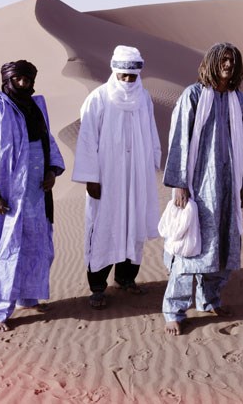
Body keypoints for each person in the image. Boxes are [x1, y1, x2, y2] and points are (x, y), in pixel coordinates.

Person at [162, 42, 243, 335]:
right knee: (189, 248)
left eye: (233, 60)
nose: (228, 65)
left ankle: (209, 299)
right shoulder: (193, 95)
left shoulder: (240, 102)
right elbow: (179, 138)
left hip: (228, 187)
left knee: (223, 247)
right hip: (197, 185)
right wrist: (179, 182)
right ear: (212, 63)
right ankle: (174, 310)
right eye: (224, 59)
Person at [0, 60, 65, 332]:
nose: (23, 83)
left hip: (35, 188)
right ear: (8, 79)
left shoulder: (35, 107)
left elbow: (48, 141)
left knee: (36, 242)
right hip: (7, 191)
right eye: (18, 79)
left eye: (27, 78)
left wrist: (53, 170)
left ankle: (26, 296)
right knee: (6, 248)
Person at [72, 45, 162, 309]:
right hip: (107, 178)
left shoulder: (144, 98)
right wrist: (91, 178)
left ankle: (126, 279)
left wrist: (151, 162)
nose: (127, 81)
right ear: (115, 72)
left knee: (133, 225)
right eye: (123, 75)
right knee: (104, 228)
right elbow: (87, 141)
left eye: (132, 76)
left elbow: (152, 131)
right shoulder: (99, 98)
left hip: (136, 176)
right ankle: (98, 287)